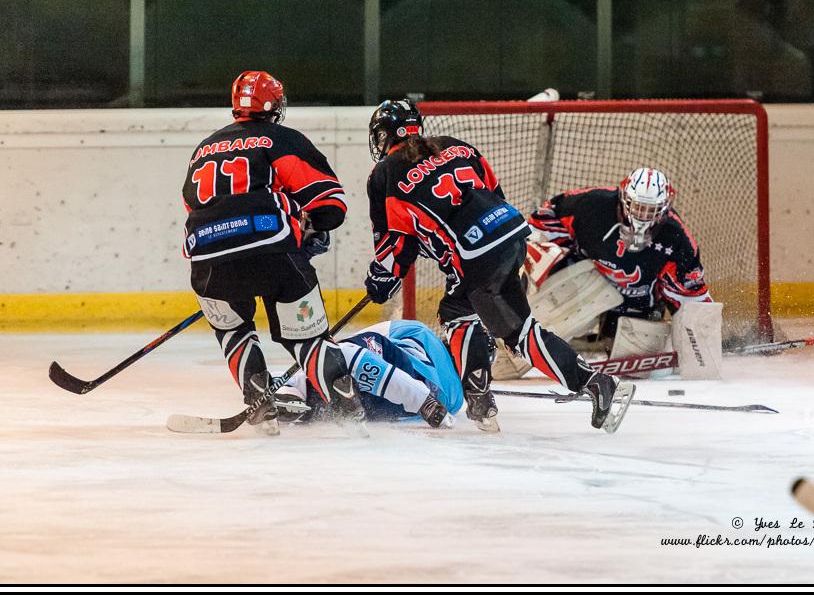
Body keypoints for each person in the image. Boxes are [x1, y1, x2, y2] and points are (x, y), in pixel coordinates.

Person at [360, 99, 635, 433]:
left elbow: (396, 241)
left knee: (460, 315)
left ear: (385, 136)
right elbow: (494, 191)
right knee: (511, 328)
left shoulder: (384, 174)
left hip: (475, 253)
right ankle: (594, 383)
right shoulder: (455, 147)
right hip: (513, 233)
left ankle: (480, 400)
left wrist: (382, 279)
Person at [181, 70, 365, 436]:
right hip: (273, 252)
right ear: (274, 106)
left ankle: (260, 404)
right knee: (309, 339)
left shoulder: (203, 148)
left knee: (233, 329)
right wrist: (309, 228)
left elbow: (192, 203)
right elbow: (330, 203)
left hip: (209, 259)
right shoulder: (281, 138)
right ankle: (350, 415)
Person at [526, 167, 713, 353]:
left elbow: (690, 294)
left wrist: (700, 339)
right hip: (587, 284)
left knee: (634, 351)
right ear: (624, 199)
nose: (643, 215)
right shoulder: (592, 204)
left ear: (664, 208)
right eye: (638, 207)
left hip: (636, 303)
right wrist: (541, 253)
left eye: (651, 210)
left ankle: (600, 340)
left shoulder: (676, 237)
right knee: (553, 294)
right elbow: (545, 219)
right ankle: (534, 336)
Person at [272, 319, 463, 428]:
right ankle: (301, 398)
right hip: (391, 406)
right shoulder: (456, 400)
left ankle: (291, 392)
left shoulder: (422, 332)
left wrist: (329, 349)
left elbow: (378, 332)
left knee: (340, 361)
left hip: (395, 370)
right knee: (333, 396)